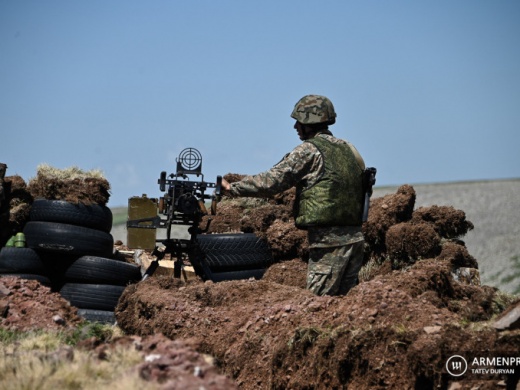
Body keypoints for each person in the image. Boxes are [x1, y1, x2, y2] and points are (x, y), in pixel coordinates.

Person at [221, 95, 366, 296]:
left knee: (318, 306)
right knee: (347, 305)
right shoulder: (347, 148)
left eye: (299, 121)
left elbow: (272, 181)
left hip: (329, 243)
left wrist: (231, 188)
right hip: (355, 239)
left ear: (310, 122)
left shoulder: (309, 150)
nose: (295, 127)